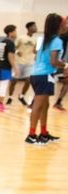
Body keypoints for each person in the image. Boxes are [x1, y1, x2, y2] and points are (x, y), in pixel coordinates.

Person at [24, 13, 66, 144]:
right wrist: (64, 64)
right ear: (60, 25)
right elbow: (53, 62)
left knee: (45, 106)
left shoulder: (42, 39)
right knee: (38, 106)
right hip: (44, 76)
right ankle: (31, 135)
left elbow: (37, 57)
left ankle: (43, 133)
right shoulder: (57, 41)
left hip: (37, 74)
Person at [9, 21, 37, 105]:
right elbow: (14, 47)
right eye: (34, 26)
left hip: (29, 63)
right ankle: (10, 97)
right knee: (14, 80)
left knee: (29, 80)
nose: (36, 28)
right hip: (18, 62)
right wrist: (17, 51)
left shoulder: (35, 40)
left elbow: (35, 50)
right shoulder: (21, 37)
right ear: (29, 28)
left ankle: (21, 96)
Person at [0, 25, 17, 112]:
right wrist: (15, 67)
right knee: (4, 86)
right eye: (15, 31)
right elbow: (10, 56)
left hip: (0, 65)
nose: (16, 33)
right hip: (6, 67)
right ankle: (1, 105)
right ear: (10, 33)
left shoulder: (2, 42)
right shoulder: (10, 43)